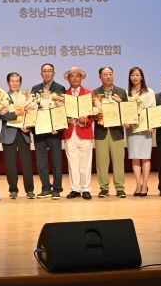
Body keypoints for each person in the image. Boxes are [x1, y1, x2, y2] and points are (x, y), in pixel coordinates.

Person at [31, 63, 65, 199]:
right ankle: (45, 187)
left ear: (54, 73)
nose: (47, 73)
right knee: (41, 162)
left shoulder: (60, 88)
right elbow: (32, 109)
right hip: (39, 129)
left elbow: (61, 109)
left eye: (49, 71)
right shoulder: (35, 89)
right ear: (41, 73)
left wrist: (58, 126)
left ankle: (57, 189)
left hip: (53, 131)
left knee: (56, 161)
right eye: (44, 71)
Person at [93, 66, 129, 198]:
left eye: (110, 74)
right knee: (102, 162)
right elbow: (91, 112)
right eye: (105, 74)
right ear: (100, 77)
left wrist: (121, 103)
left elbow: (127, 111)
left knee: (118, 161)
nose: (108, 76)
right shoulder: (94, 93)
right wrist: (96, 115)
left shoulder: (121, 92)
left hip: (116, 131)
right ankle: (104, 188)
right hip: (101, 131)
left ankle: (120, 188)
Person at [0, 72, 35, 200]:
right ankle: (13, 190)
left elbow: (32, 114)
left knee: (27, 163)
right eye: (12, 81)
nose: (15, 83)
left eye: (17, 81)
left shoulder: (26, 96)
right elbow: (2, 116)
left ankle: (29, 190)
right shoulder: (3, 97)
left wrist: (29, 126)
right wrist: (16, 113)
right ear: (8, 83)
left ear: (20, 83)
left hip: (23, 133)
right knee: (10, 164)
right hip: (9, 133)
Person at [62, 67, 95, 200]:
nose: (75, 78)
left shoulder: (89, 93)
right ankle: (75, 189)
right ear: (68, 79)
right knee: (72, 163)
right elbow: (59, 114)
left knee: (85, 162)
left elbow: (94, 113)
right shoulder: (64, 95)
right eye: (72, 76)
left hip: (84, 132)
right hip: (70, 132)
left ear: (81, 78)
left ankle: (85, 188)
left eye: (77, 76)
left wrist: (85, 119)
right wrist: (66, 119)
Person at [126, 67, 155, 197]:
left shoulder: (149, 92)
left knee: (145, 157)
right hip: (132, 129)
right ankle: (138, 184)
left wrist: (152, 125)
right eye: (132, 75)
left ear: (142, 77)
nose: (135, 77)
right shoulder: (127, 93)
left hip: (146, 129)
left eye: (137, 75)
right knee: (135, 157)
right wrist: (125, 122)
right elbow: (125, 111)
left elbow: (153, 109)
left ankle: (145, 184)